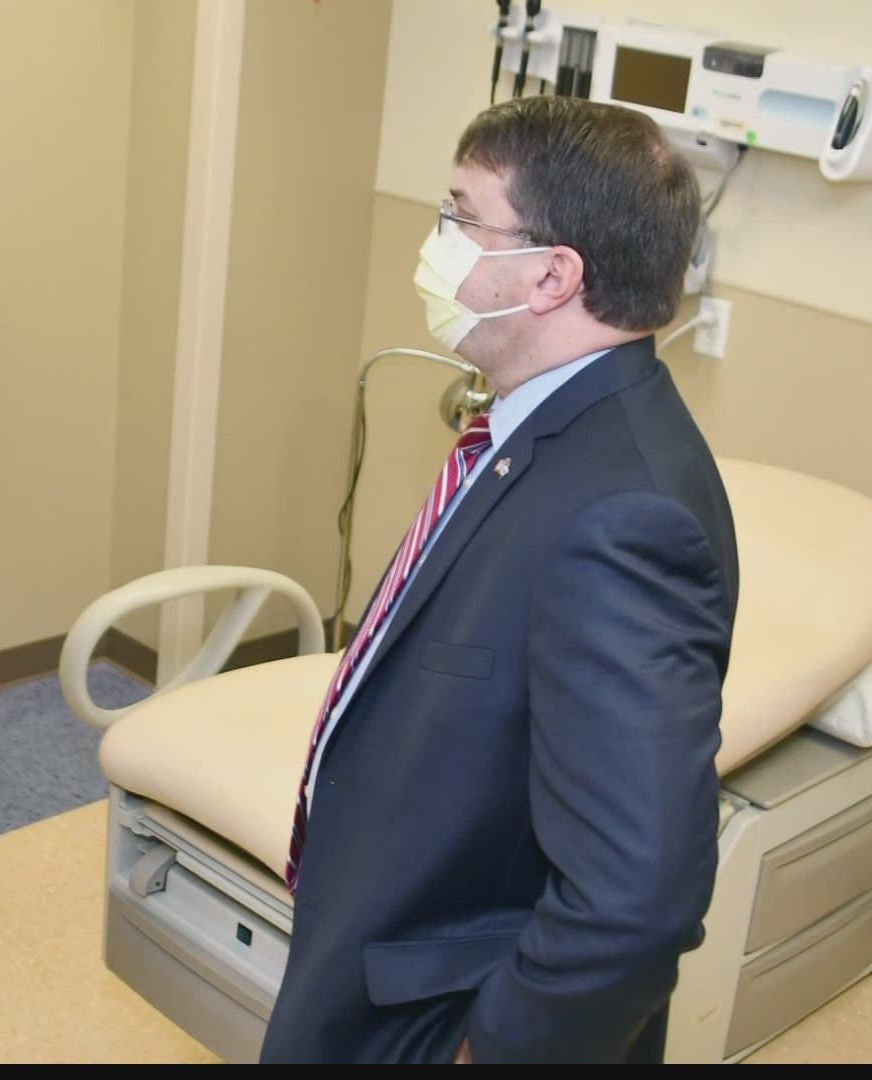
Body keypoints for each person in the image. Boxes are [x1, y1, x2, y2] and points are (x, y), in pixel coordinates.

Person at [260, 95, 739, 1065]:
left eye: (460, 216)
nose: (435, 244)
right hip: (386, 943)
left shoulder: (624, 518)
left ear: (554, 275)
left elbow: (636, 902)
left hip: (448, 1019)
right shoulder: (529, 433)